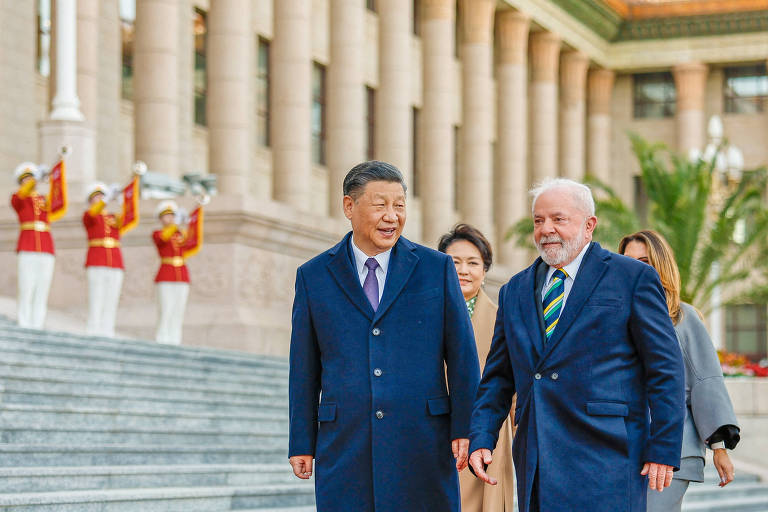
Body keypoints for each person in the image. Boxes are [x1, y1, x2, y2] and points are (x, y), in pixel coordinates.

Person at [468, 178, 686, 512]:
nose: (547, 229)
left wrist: (664, 448)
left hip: (608, 458)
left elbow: (666, 369)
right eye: (538, 221)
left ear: (589, 225)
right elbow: (498, 376)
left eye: (558, 219)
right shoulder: (514, 290)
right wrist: (483, 437)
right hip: (537, 459)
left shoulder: (632, 278)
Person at [288, 161, 481, 511]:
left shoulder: (435, 269)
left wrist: (466, 428)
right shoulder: (313, 276)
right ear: (349, 206)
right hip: (344, 445)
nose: (392, 216)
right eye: (380, 206)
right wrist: (301, 440)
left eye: (399, 205)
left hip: (423, 441)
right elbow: (303, 368)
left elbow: (463, 357)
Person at [619, 230, 740, 512]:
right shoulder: (616, 318)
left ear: (661, 265)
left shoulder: (683, 318)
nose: (635, 268)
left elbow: (705, 383)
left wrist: (719, 448)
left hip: (674, 450)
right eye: (627, 261)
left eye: (645, 261)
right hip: (624, 448)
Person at [438, 224, 516, 512]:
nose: (463, 270)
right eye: (454, 262)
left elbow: (515, 386)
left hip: (487, 438)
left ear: (484, 271)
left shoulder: (502, 319)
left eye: (473, 263)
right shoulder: (422, 318)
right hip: (437, 434)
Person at [11, 162, 55, 329]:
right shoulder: (18, 197)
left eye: (31, 178)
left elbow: (58, 202)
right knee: (26, 286)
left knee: (42, 287)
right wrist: (35, 177)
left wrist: (53, 179)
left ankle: (37, 323)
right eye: (26, 179)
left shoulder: (43, 200)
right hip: (27, 245)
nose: (30, 181)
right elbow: (21, 195)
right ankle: (24, 322)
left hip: (46, 247)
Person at [152, 200, 202, 344]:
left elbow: (193, 242)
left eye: (172, 216)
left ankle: (175, 338)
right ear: (161, 219)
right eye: (166, 216)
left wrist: (196, 216)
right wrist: (175, 225)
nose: (170, 219)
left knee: (178, 310)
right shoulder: (158, 233)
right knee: (166, 309)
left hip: (181, 275)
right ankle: (162, 338)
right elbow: (162, 239)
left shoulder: (181, 234)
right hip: (166, 274)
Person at [83, 182, 124, 337]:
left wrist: (123, 200)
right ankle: (93, 328)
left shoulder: (113, 218)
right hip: (97, 260)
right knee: (96, 297)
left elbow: (129, 218)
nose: (100, 199)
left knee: (111, 298)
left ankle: (108, 330)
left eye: (102, 195)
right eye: (97, 197)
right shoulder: (89, 215)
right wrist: (106, 200)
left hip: (115, 261)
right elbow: (93, 213)